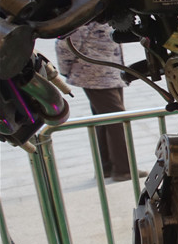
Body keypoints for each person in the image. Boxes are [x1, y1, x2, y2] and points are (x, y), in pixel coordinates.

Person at [55, 22, 147, 182]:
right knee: (118, 121)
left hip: (110, 73)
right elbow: (65, 44)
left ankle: (107, 167)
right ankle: (123, 169)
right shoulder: (85, 17)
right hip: (94, 75)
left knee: (104, 120)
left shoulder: (102, 13)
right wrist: (65, 70)